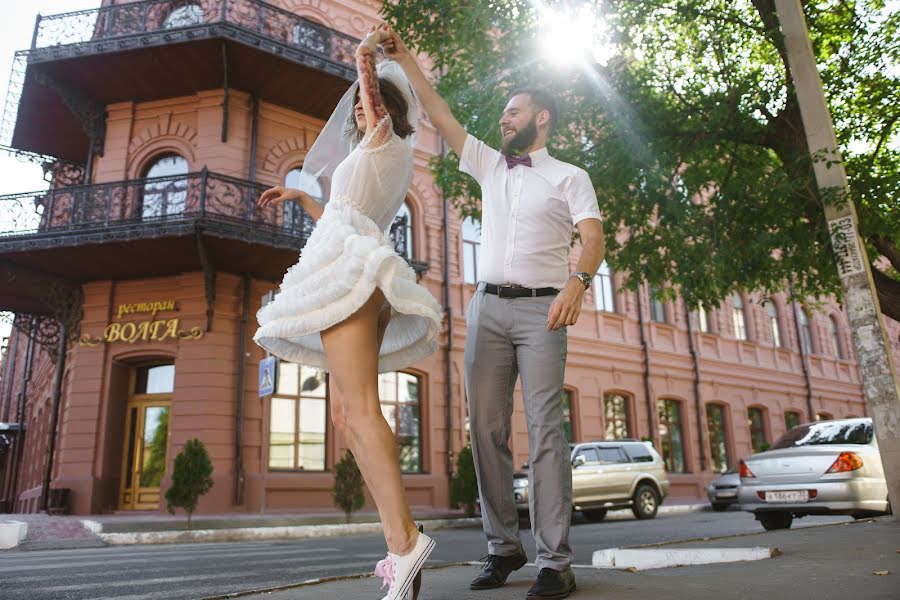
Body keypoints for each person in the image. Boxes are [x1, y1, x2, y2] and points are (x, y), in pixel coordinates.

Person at [383, 26, 605, 600]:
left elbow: (594, 239)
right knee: (485, 430)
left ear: (543, 119)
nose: (504, 120)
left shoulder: (570, 177)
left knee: (546, 432)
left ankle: (556, 562)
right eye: (504, 114)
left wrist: (577, 283)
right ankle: (503, 549)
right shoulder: (487, 165)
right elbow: (439, 112)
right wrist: (405, 58)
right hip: (486, 308)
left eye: (514, 112)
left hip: (542, 314)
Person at [253, 28, 441, 600]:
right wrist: (302, 200)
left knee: (359, 412)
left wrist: (366, 54)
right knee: (346, 417)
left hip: (356, 274)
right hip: (353, 261)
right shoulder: (371, 155)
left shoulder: (388, 139)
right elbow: (342, 217)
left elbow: (373, 99)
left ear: (384, 105)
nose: (360, 108)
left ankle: (406, 542)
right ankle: (399, 545)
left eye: (368, 100)